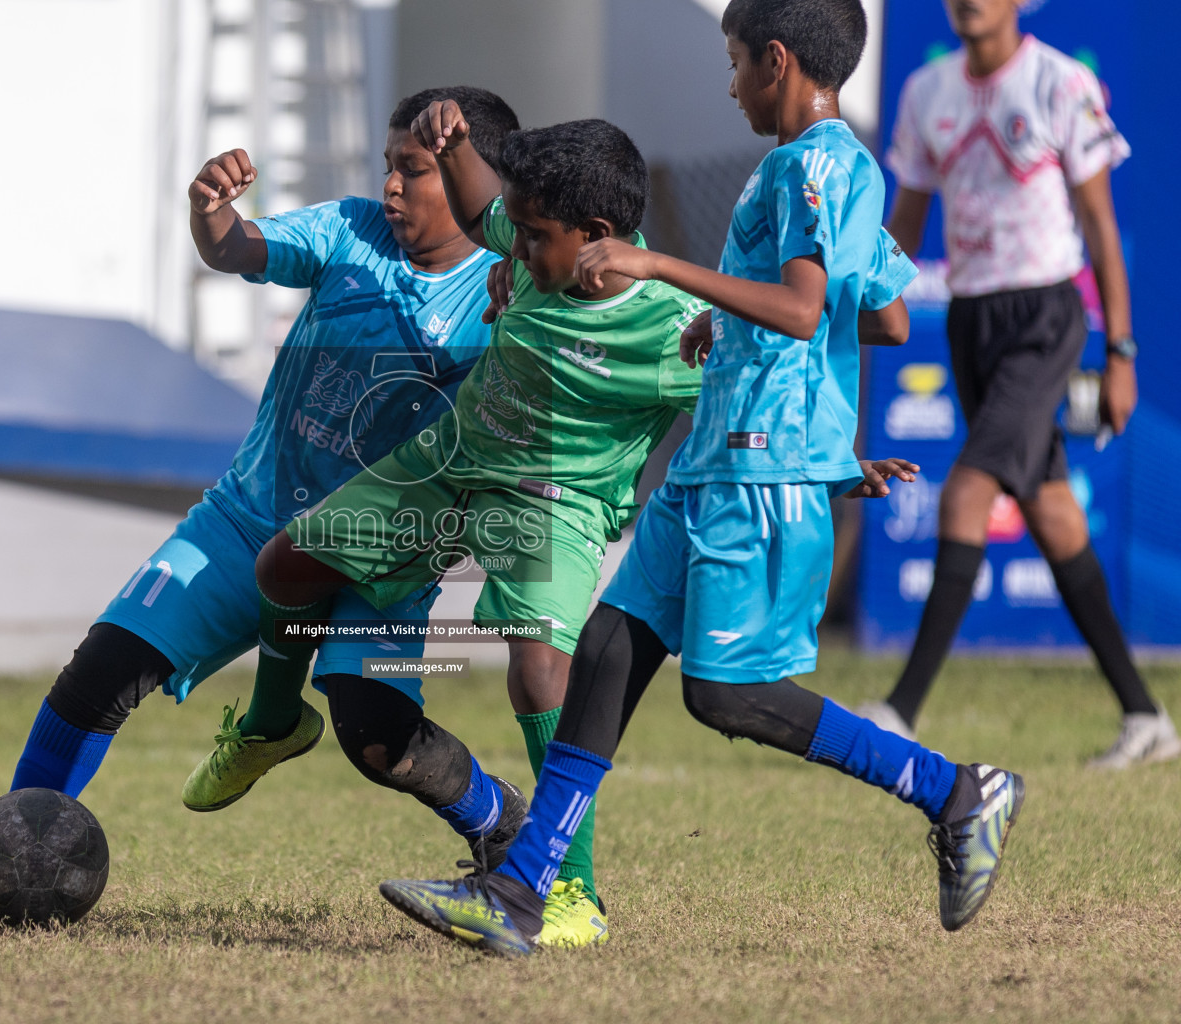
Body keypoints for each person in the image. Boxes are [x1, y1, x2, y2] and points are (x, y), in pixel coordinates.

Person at [377, 0, 1025, 956]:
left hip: (758, 470)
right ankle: (520, 895)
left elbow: (806, 313)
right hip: (719, 460)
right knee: (605, 652)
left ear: (777, 60)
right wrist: (737, 333)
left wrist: (664, 267)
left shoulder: (817, 166)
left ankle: (956, 790)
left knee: (725, 696)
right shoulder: (815, 172)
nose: (728, 85)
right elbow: (876, 317)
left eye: (734, 63)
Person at [0, 86, 523, 926]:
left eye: (410, 170)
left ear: (466, 174)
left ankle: (502, 826)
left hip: (384, 553)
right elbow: (239, 248)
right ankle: (3, 881)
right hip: (249, 517)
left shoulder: (508, 292)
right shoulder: (349, 230)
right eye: (387, 166)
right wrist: (212, 212)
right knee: (101, 673)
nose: (390, 187)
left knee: (376, 735)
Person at [200, 107, 709, 947]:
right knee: (285, 568)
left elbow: (753, 388)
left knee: (540, 671)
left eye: (531, 238)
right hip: (453, 458)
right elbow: (483, 209)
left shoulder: (668, 325)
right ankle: (271, 723)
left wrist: (842, 462)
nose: (507, 250)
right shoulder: (535, 241)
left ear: (599, 236)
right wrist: (458, 143)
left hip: (555, 499)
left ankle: (570, 892)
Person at [853, 0, 1176, 770]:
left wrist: (1122, 351)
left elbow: (1099, 224)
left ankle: (898, 709)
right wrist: (858, 303)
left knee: (969, 491)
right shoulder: (926, 91)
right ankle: (1146, 715)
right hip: (970, 316)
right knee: (1052, 510)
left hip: (1046, 315)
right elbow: (906, 220)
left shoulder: (1061, 83)